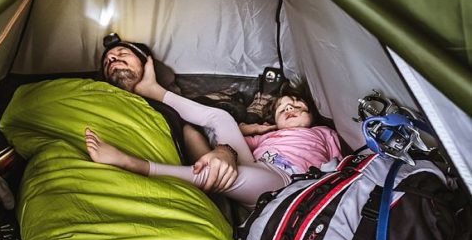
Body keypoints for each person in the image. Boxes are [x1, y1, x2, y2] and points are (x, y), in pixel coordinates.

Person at [88, 55, 342, 207]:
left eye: (298, 105)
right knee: (221, 117)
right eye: (283, 107)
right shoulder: (267, 136)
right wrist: (251, 129)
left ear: (313, 114)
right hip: (260, 165)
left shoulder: (323, 133)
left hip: (289, 183)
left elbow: (340, 164)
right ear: (274, 119)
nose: (291, 108)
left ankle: (135, 165)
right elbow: (237, 141)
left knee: (224, 175)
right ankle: (154, 91)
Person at [98, 33, 239, 193]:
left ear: (145, 62)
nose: (113, 60)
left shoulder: (175, 116)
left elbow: (212, 173)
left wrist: (226, 151)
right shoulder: (99, 100)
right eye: (106, 62)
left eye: (123, 54)